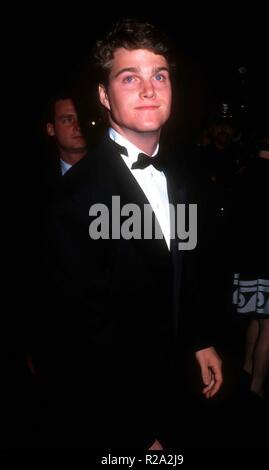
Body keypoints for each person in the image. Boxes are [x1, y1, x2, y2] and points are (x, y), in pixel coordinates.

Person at [36, 18, 223, 449]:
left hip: (176, 387)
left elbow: (180, 270)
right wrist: (135, 431)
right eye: (129, 77)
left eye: (159, 75)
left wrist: (200, 341)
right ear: (104, 95)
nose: (148, 89)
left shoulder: (180, 177)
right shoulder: (72, 200)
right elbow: (76, 340)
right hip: (119, 411)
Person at [232, 121, 269, 399]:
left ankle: (246, 371)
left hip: (248, 260)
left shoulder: (243, 174)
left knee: (255, 320)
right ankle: (257, 387)